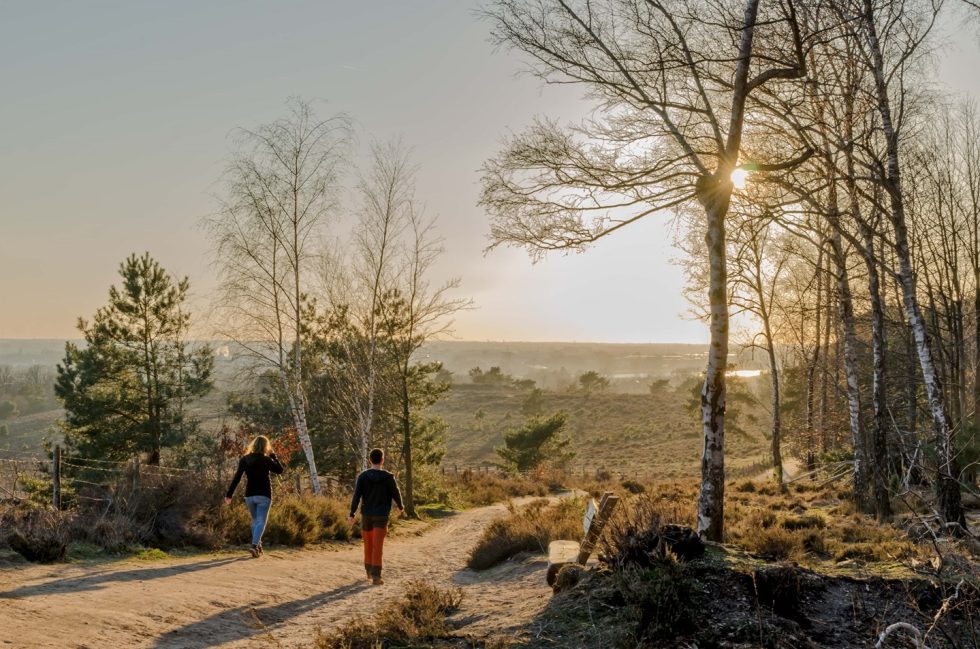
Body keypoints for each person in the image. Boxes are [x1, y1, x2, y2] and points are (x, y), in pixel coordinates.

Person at [348, 448, 404, 585]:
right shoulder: (389, 477)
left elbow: (356, 496)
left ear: (369, 460)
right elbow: (396, 493)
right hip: (381, 516)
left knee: (368, 543)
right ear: (382, 460)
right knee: (377, 546)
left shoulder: (363, 476)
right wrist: (401, 506)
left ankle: (368, 570)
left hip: (366, 515)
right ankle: (376, 576)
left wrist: (352, 514)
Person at [224, 435, 284, 558]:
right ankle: (254, 546)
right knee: (261, 521)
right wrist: (274, 457)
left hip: (249, 495)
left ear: (254, 445)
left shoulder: (245, 460)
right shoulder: (266, 460)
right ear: (266, 447)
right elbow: (280, 470)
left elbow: (237, 478)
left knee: (255, 521)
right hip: (264, 495)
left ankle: (258, 546)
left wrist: (229, 494)